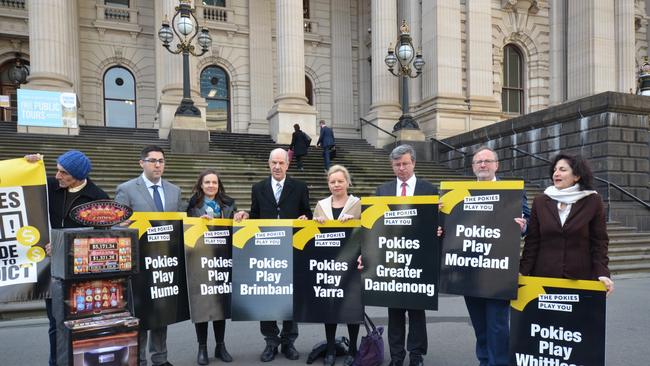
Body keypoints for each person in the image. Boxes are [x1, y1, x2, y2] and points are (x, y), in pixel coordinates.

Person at [25, 150, 109, 366]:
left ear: (79, 176)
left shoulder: (98, 197)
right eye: (58, 170)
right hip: (52, 270)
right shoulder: (51, 185)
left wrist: (65, 245)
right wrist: (28, 165)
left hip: (82, 272)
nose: (58, 176)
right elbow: (20, 182)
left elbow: (101, 239)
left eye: (64, 173)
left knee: (84, 322)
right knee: (54, 323)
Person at [234, 148, 312, 362]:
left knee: (290, 296)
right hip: (266, 250)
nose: (277, 167)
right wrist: (246, 215)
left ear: (287, 165)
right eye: (273, 163)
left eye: (281, 163)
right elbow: (256, 215)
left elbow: (307, 213)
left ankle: (289, 341)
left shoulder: (300, 187)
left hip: (291, 249)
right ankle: (271, 341)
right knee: (266, 295)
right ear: (269, 164)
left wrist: (306, 219)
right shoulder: (258, 188)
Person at [453, 146, 529, 366]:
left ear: (497, 165)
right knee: (479, 324)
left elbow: (530, 223)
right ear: (473, 167)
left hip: (499, 270)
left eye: (487, 161)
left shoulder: (512, 191)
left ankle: (500, 363)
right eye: (478, 162)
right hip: (470, 270)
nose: (483, 165)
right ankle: (485, 361)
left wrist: (523, 227)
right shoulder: (460, 195)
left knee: (497, 324)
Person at [114, 145, 183, 366]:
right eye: (152, 160)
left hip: (165, 260)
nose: (157, 165)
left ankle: (160, 359)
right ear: (141, 163)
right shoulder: (126, 189)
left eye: (161, 161)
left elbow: (180, 224)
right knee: (141, 314)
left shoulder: (174, 190)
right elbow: (115, 225)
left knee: (162, 312)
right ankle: (140, 360)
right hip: (139, 264)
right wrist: (121, 225)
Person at [375, 144, 436, 366]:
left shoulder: (429, 190)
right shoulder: (382, 191)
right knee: (395, 312)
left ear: (414, 164)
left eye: (405, 163)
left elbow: (437, 223)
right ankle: (397, 356)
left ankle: (417, 355)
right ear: (392, 166)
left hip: (419, 260)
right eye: (397, 164)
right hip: (392, 260)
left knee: (417, 312)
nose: (401, 168)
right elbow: (376, 226)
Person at [520, 153, 614, 295]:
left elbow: (599, 242)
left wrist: (602, 273)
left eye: (562, 170)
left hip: (580, 279)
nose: (556, 174)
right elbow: (533, 241)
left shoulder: (593, 201)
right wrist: (522, 271)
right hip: (544, 277)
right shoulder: (540, 202)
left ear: (577, 176)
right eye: (555, 170)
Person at [312, 165, 362, 366]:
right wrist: (315, 223)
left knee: (352, 307)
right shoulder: (321, 205)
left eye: (340, 181)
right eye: (332, 182)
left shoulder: (358, 204)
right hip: (327, 265)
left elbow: (367, 231)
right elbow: (313, 234)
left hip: (351, 264)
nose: (336, 185)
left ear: (347, 182)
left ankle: (352, 349)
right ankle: (331, 348)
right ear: (328, 184)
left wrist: (356, 220)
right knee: (329, 307)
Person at [187, 169, 236, 365]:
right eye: (207, 182)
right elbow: (186, 229)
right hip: (199, 259)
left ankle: (220, 345)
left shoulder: (228, 204)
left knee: (219, 304)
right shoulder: (192, 205)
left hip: (222, 260)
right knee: (202, 305)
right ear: (201, 184)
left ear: (218, 185)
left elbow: (235, 228)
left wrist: (241, 216)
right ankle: (202, 348)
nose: (210, 186)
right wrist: (197, 223)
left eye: (214, 182)